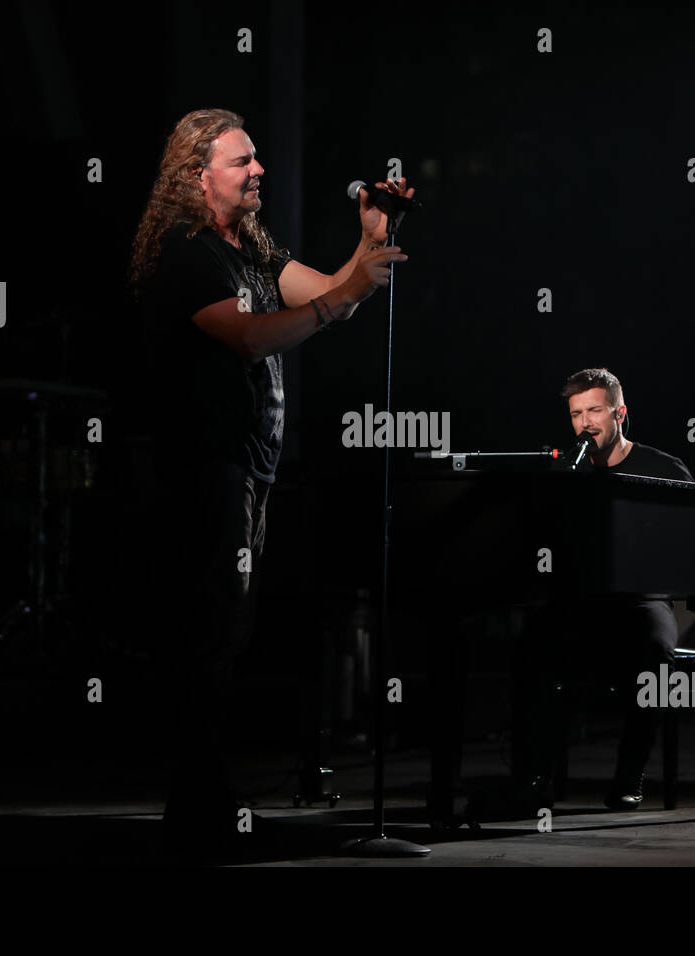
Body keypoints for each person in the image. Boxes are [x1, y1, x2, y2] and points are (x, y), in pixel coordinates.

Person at [125, 108, 410, 855]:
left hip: (250, 468)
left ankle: (204, 798)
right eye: (241, 161)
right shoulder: (186, 253)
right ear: (197, 175)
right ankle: (196, 803)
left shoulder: (248, 245)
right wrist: (332, 301)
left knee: (232, 626)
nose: (258, 171)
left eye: (257, 160)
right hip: (204, 467)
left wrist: (373, 239)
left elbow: (330, 292)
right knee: (209, 630)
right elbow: (253, 337)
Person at [509, 367, 694, 812]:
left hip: (640, 599)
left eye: (595, 410)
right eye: (576, 414)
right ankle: (534, 780)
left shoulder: (662, 469)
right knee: (534, 642)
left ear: (620, 413)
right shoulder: (562, 473)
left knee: (654, 650)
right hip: (581, 600)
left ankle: (630, 776)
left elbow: (690, 544)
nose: (585, 423)